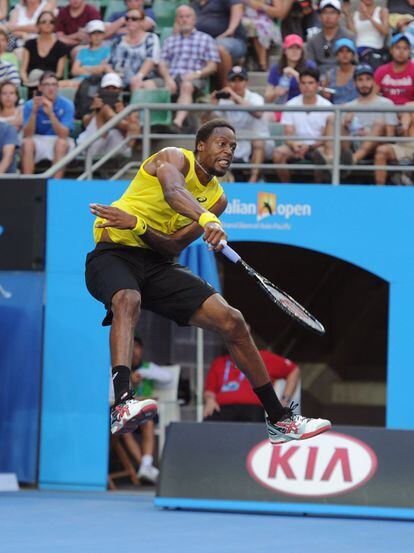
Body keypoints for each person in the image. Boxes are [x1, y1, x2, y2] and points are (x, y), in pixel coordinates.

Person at [85, 117, 331, 443]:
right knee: (128, 299)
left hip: (156, 263)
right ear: (200, 145)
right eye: (221, 143)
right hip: (112, 252)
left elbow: (171, 246)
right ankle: (122, 402)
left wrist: (139, 225)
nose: (228, 151)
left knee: (233, 322)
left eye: (233, 147)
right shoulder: (173, 158)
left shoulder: (218, 198)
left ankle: (279, 419)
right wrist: (204, 218)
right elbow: (174, 192)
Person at [158, 5, 220, 132]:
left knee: (186, 85)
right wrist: (167, 79)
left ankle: (177, 123)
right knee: (146, 84)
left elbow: (213, 66)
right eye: (181, 17)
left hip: (194, 77)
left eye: (187, 16)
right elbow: (162, 64)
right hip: (172, 77)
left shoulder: (205, 39)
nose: (184, 19)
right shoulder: (170, 41)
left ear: (194, 19)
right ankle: (154, 124)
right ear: (177, 20)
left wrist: (197, 73)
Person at [120, 335, 172, 484]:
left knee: (147, 420)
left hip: (146, 411)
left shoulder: (148, 367)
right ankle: (145, 467)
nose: (134, 352)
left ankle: (145, 466)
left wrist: (144, 373)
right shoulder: (120, 370)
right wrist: (129, 380)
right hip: (128, 411)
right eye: (131, 347)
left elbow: (168, 377)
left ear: (141, 350)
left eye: (136, 347)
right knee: (123, 428)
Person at [204, 345, 300, 422]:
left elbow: (293, 370)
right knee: (208, 422)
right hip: (223, 409)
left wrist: (284, 400)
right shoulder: (219, 362)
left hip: (252, 409)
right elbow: (210, 390)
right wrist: (209, 400)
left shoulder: (262, 357)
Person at [210, 65, 273, 182]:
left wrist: (234, 97)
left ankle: (252, 181)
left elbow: (258, 113)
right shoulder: (224, 101)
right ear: (228, 83)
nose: (237, 84)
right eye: (233, 80)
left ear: (246, 82)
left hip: (261, 143)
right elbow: (211, 122)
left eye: (240, 80)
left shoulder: (255, 98)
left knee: (258, 141)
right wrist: (212, 106)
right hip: (236, 141)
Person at [272, 68, 334, 183]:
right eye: (303, 83)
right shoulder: (290, 105)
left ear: (317, 85)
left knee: (321, 154)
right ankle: (287, 188)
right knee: (278, 153)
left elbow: (327, 138)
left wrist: (309, 147)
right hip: (295, 147)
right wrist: (295, 145)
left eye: (310, 83)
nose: (307, 86)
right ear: (299, 85)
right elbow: (288, 134)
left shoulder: (327, 106)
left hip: (317, 147)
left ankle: (318, 188)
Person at [342, 63, 397, 172]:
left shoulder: (386, 103)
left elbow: (391, 136)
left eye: (368, 79)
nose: (364, 84)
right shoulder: (348, 106)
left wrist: (371, 134)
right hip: (353, 145)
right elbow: (343, 136)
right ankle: (340, 160)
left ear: (373, 81)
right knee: (339, 122)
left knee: (379, 124)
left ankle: (353, 159)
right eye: (360, 80)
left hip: (378, 146)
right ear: (355, 83)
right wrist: (346, 124)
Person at [21, 70, 74, 178]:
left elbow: (64, 135)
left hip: (59, 139)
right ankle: (27, 184)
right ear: (40, 87)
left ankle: (55, 186)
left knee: (61, 143)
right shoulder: (30, 105)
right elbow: (27, 134)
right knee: (27, 143)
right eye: (47, 84)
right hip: (38, 139)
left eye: (54, 84)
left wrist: (51, 114)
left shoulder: (67, 105)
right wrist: (34, 112)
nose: (51, 88)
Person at [77, 72, 140, 158]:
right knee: (105, 109)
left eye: (114, 88)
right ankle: (124, 125)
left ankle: (125, 157)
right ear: (101, 89)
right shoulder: (92, 103)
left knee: (134, 120)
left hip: (113, 147)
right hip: (92, 144)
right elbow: (85, 123)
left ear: (120, 90)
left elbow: (134, 128)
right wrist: (95, 111)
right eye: (107, 88)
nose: (110, 91)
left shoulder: (124, 107)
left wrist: (123, 114)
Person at [193, 0, 247, 88]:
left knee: (218, 48)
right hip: (203, 42)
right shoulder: (195, 3)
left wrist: (230, 30)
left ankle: (227, 88)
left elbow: (237, 7)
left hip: (230, 40)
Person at [108, 6, 160, 91]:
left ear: (142, 21)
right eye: (127, 18)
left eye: (134, 19)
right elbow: (110, 63)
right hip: (120, 78)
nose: (130, 21)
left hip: (144, 77)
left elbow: (151, 60)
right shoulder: (118, 41)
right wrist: (113, 76)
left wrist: (139, 76)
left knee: (137, 84)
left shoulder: (151, 38)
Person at [265, 33, 316, 106]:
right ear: (285, 51)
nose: (294, 51)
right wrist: (276, 92)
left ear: (302, 51)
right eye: (291, 48)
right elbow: (268, 97)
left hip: (303, 106)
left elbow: (313, 90)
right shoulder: (275, 68)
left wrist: (295, 74)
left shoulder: (310, 66)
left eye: (298, 48)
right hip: (282, 106)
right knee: (267, 115)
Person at [307, 0, 354, 78]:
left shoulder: (349, 37)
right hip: (319, 78)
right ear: (319, 16)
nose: (328, 16)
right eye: (325, 12)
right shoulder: (313, 40)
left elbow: (354, 62)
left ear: (339, 16)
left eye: (332, 12)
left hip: (343, 77)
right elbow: (311, 64)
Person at [20, 11, 68, 86]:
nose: (48, 24)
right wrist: (26, 82)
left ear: (54, 25)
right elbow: (23, 70)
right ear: (38, 25)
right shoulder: (29, 44)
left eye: (51, 22)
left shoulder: (61, 47)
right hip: (31, 83)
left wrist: (45, 82)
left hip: (51, 85)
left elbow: (59, 74)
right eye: (44, 21)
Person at [343, 0, 389, 69]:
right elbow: (352, 33)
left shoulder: (382, 11)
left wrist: (368, 16)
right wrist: (347, 14)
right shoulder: (354, 14)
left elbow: (385, 31)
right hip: (357, 50)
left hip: (375, 48)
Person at [374, 33, 414, 105]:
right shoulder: (382, 71)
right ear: (391, 50)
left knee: (407, 112)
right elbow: (372, 95)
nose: (401, 52)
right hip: (387, 111)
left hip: (410, 111)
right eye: (398, 48)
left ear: (409, 51)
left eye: (405, 48)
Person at [241, 0, 281, 71]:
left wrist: (262, 6)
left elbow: (279, 13)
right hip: (243, 18)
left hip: (264, 21)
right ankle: (242, 61)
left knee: (259, 28)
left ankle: (262, 64)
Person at [70, 19, 111, 84]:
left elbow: (101, 69)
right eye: (94, 33)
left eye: (99, 33)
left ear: (103, 35)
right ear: (89, 36)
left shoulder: (107, 50)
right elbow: (74, 71)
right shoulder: (83, 51)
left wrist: (84, 68)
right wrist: (93, 69)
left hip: (96, 82)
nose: (97, 36)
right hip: (79, 81)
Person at [323, 37, 358, 105]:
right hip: (335, 113)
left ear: (353, 55)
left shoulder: (360, 72)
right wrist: (325, 95)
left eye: (348, 51)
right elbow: (325, 99)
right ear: (336, 55)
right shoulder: (329, 74)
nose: (345, 54)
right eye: (341, 51)